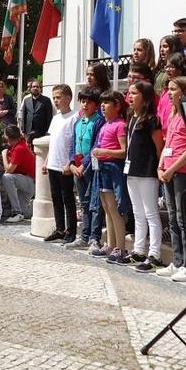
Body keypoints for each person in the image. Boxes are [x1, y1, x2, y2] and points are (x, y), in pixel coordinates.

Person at [120, 81, 165, 273]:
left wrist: (157, 167)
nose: (130, 97)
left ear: (145, 97)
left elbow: (158, 147)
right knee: (138, 212)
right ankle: (139, 250)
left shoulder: (151, 120)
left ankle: (155, 254)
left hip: (147, 171)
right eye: (129, 93)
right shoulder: (131, 117)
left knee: (151, 213)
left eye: (134, 93)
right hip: (132, 170)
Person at [155, 76, 186, 280]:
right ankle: (177, 260)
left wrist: (171, 169)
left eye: (173, 89)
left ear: (184, 91)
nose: (169, 93)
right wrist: (161, 165)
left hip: (182, 171)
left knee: (183, 217)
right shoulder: (172, 114)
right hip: (168, 170)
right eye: (168, 89)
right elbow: (168, 142)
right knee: (172, 217)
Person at [90, 90, 129, 260]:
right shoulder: (105, 125)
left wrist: (103, 151)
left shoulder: (120, 124)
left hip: (113, 168)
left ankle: (120, 247)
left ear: (117, 105)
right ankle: (110, 244)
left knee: (114, 208)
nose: (103, 106)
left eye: (107, 103)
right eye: (102, 103)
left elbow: (123, 151)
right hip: (102, 168)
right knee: (106, 207)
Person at [65, 88, 104, 251]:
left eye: (89, 101)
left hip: (91, 168)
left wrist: (83, 165)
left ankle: (94, 237)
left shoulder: (98, 122)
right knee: (83, 203)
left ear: (96, 105)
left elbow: (97, 145)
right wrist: (72, 163)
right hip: (78, 169)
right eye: (83, 101)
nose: (85, 104)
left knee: (94, 203)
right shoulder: (78, 122)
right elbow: (73, 144)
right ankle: (84, 235)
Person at [41, 84, 77, 243]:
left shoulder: (74, 117)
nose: (55, 100)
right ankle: (60, 228)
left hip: (65, 166)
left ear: (68, 98)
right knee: (56, 198)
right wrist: (47, 161)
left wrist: (70, 163)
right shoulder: (55, 118)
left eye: (58, 97)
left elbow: (73, 143)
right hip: (53, 164)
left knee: (67, 198)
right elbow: (53, 141)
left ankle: (71, 231)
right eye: (54, 97)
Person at [0, 125, 35, 222]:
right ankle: (24, 211)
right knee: (25, 213)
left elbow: (9, 170)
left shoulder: (19, 148)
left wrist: (3, 155)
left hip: (29, 182)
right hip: (24, 182)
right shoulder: (18, 145)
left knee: (7, 177)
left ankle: (17, 212)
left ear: (8, 137)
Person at [19, 80, 53, 145]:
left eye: (37, 87)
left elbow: (49, 117)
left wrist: (48, 131)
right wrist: (23, 130)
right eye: (33, 87)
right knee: (29, 150)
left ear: (40, 89)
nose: (35, 88)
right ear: (30, 88)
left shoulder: (46, 100)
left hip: (41, 132)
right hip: (28, 131)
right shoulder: (26, 100)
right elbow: (24, 116)